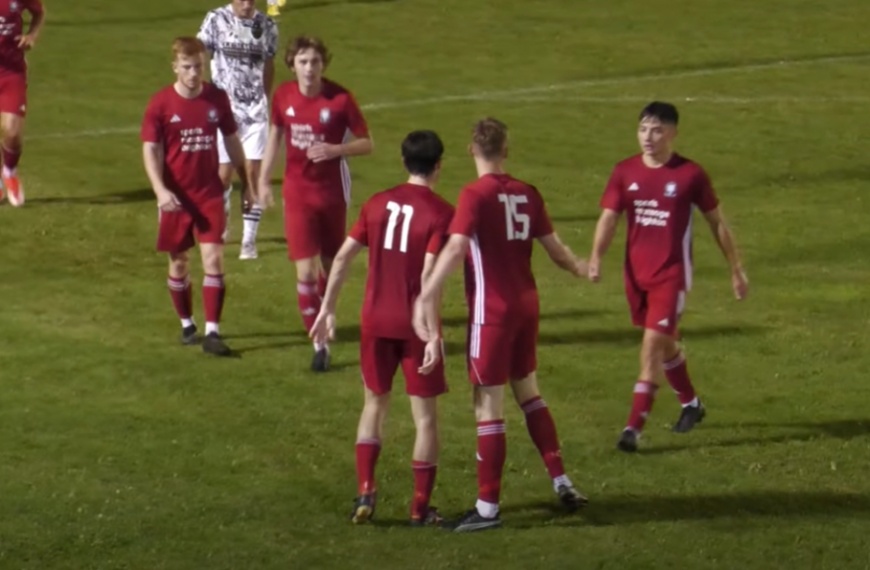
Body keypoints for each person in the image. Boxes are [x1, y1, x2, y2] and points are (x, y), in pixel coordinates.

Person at [414, 118, 589, 533]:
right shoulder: (528, 194)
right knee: (529, 390)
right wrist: (583, 267)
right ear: (505, 150)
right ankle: (562, 481)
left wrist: (427, 292)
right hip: (527, 306)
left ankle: (488, 508)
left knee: (487, 404)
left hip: (490, 312)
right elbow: (556, 251)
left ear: (471, 150)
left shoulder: (474, 195)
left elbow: (457, 246)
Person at [588, 101, 749, 452]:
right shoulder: (624, 171)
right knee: (664, 342)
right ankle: (692, 404)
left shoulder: (690, 175)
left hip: (670, 277)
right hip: (635, 276)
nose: (649, 136)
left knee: (650, 349)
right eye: (644, 128)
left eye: (657, 129)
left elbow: (716, 222)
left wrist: (735, 268)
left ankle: (632, 428)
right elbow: (609, 218)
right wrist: (596, 258)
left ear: (673, 133)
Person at [311, 130, 453, 526]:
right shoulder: (442, 212)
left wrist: (328, 309)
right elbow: (429, 277)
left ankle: (366, 491)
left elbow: (340, 259)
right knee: (424, 418)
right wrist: (433, 333)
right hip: (413, 327)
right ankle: (419, 508)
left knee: (374, 404)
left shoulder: (377, 204)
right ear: (439, 165)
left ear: (404, 162)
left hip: (374, 319)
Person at [258, 35, 373, 372]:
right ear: (292, 64)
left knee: (331, 263)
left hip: (332, 192)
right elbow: (276, 135)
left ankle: (326, 310)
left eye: (315, 62)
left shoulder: (340, 99)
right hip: (298, 193)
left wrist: (336, 149)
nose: (309, 68)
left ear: (324, 65)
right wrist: (263, 180)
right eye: (303, 62)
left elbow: (368, 143)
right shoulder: (283, 96)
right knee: (306, 271)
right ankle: (320, 344)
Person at [141, 37, 251, 357]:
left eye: (198, 67)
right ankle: (188, 323)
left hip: (209, 194)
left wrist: (247, 181)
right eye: (187, 67)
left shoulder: (216, 99)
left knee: (214, 258)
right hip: (175, 198)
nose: (193, 73)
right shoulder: (160, 104)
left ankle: (213, 332)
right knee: (178, 262)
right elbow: (150, 150)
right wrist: (160, 191)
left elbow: (231, 141)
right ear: (175, 67)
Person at [197, 0, 278, 260]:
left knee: (252, 173)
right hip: (223, 112)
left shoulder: (266, 24)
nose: (247, 3)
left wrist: (265, 98)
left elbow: (268, 63)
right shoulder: (215, 19)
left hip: (255, 112)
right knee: (222, 176)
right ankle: (222, 225)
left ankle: (248, 240)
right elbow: (199, 54)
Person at [0, 0, 45, 207]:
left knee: (13, 131)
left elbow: (39, 13)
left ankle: (10, 172)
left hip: (12, 73)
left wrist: (32, 36)